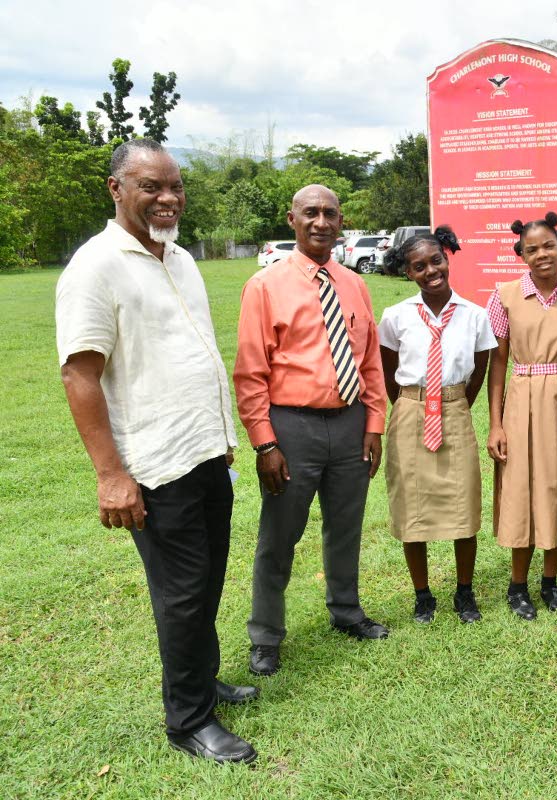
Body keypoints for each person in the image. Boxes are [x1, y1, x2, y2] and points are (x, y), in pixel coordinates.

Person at [56, 139, 257, 763]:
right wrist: (111, 475)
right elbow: (80, 374)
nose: (167, 197)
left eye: (175, 185)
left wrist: (221, 436)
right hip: (155, 465)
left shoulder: (180, 257)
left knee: (209, 580)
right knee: (182, 592)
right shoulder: (96, 266)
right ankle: (189, 721)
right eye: (150, 186)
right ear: (116, 189)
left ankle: (204, 681)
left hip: (203, 453)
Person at [234, 184, 390, 677]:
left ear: (340, 221)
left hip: (349, 425)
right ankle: (266, 636)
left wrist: (374, 424)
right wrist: (265, 442)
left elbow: (368, 363)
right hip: (291, 427)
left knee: (345, 527)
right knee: (279, 536)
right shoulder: (265, 286)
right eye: (311, 213)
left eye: (330, 213)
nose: (321, 222)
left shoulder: (354, 284)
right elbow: (250, 372)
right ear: (292, 220)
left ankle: (346, 612)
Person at [486, 211, 557, 620]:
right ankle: (518, 585)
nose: (541, 255)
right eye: (531, 249)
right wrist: (496, 423)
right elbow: (497, 363)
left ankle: (550, 582)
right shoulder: (504, 296)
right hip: (521, 398)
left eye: (548, 246)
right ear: (521, 255)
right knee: (521, 487)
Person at [377, 226, 496, 624]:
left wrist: (454, 404)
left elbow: (480, 370)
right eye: (419, 266)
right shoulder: (395, 317)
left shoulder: (474, 315)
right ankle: (423, 595)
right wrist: (413, 407)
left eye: (436, 261)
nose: (430, 270)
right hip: (410, 413)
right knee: (412, 507)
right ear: (408, 273)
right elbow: (387, 367)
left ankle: (465, 592)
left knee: (463, 504)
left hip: (455, 410)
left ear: (448, 258)